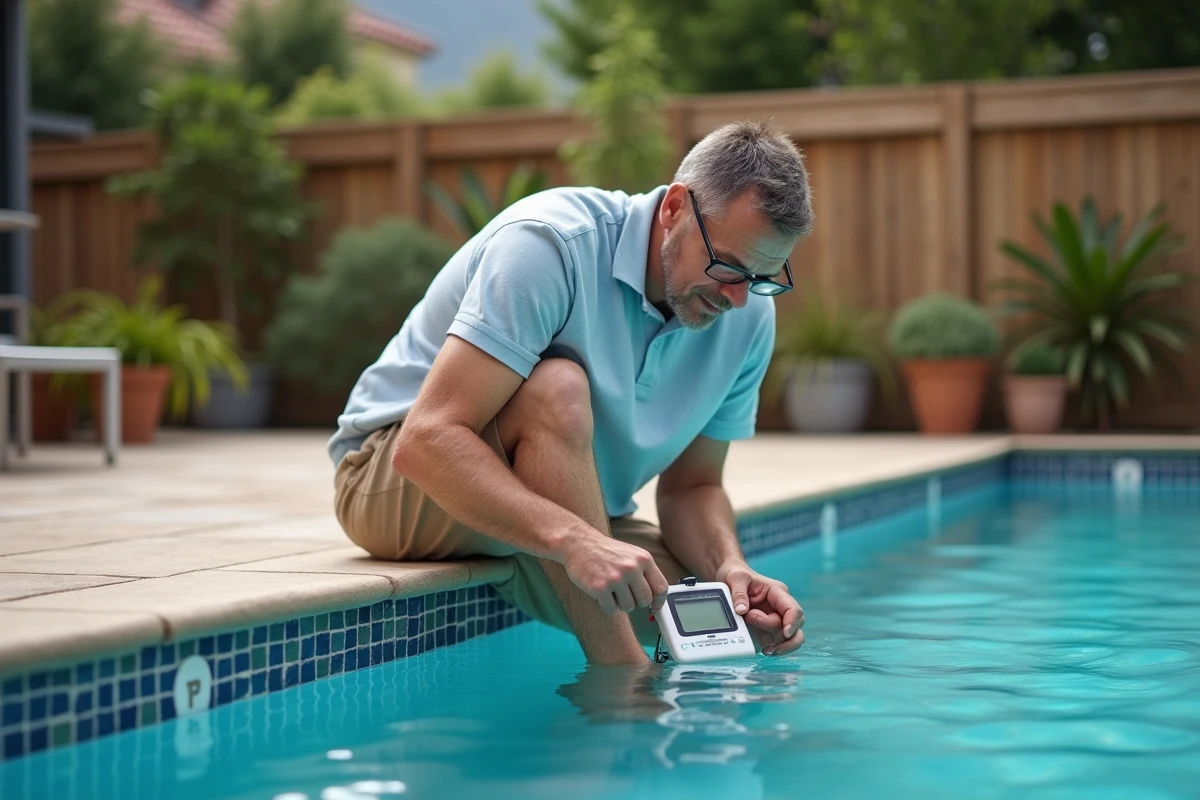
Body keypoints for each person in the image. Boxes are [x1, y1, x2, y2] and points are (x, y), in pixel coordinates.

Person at [329, 120, 813, 666]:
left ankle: (533, 557)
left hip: (561, 498)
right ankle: (620, 684)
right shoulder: (549, 244)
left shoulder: (748, 320)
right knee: (555, 385)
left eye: (764, 277)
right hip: (393, 481)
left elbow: (693, 486)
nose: (739, 298)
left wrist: (730, 566)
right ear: (675, 207)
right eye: (728, 266)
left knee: (725, 620)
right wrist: (571, 542)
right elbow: (426, 442)